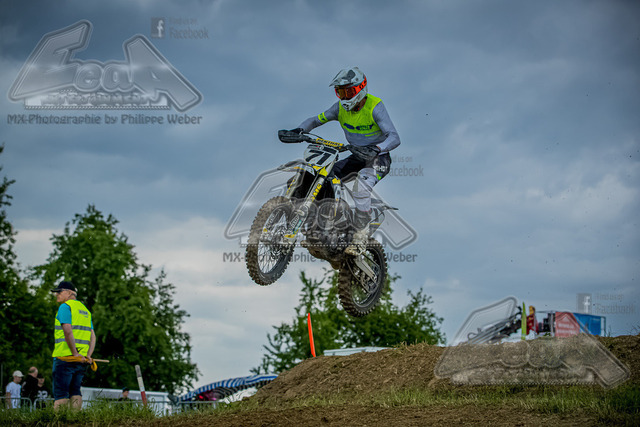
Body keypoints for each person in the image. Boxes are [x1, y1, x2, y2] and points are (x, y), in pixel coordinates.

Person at [292, 66, 401, 254]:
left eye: (348, 92)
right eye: (340, 92)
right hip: (356, 156)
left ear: (361, 89)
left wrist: (377, 148)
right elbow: (316, 120)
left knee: (360, 189)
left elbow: (394, 137)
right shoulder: (339, 108)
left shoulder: (375, 106)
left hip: (378, 158)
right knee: (324, 178)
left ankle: (360, 237)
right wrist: (299, 130)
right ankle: (321, 228)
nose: (344, 97)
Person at [51, 281, 96, 411]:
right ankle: (75, 420)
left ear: (70, 293)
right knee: (75, 391)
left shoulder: (65, 307)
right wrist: (88, 355)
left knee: (61, 393)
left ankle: (60, 421)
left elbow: (67, 331)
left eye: (59, 292)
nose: (57, 295)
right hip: (81, 360)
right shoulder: (86, 311)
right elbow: (93, 336)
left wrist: (75, 353)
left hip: (65, 358)